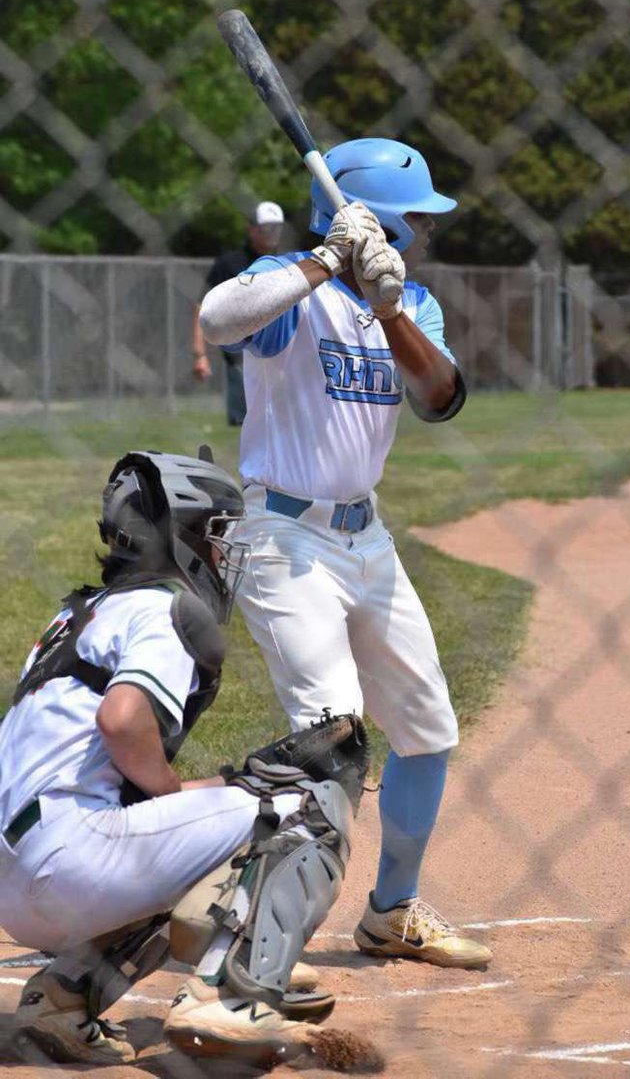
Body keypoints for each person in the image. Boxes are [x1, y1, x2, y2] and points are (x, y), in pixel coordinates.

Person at [199, 137, 492, 970]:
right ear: (380, 218)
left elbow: (441, 397)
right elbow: (219, 318)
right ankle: (255, 937)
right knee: (329, 738)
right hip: (282, 534)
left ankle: (391, 911)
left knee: (427, 731)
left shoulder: (413, 298)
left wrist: (389, 303)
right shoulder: (292, 287)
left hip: (368, 538)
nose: (427, 235)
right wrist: (328, 259)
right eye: (419, 221)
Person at [0, 449, 372, 1068]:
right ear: (183, 534)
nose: (226, 550)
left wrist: (210, 787)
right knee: (306, 800)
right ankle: (233, 996)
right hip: (70, 864)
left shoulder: (73, 617)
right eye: (217, 532)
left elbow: (107, 770)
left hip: (19, 872)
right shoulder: (166, 609)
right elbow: (121, 721)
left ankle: (62, 1000)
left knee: (216, 816)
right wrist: (183, 790)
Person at [192, 201, 285, 425]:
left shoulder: (285, 265)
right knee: (244, 423)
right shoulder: (230, 264)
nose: (272, 234)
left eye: (277, 228)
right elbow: (201, 306)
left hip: (279, 355)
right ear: (251, 228)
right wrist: (199, 354)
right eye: (266, 228)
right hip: (240, 355)